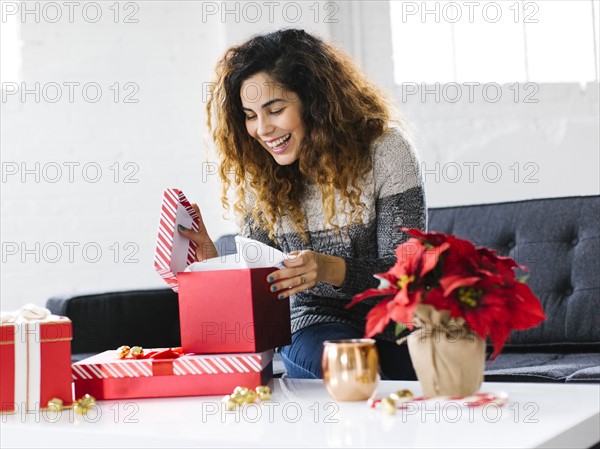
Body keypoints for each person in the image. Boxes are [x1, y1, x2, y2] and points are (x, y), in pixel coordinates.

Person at [178, 28, 426, 380]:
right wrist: (213, 268)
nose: (262, 129)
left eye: (275, 110)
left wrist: (328, 268)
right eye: (250, 115)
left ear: (315, 101)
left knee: (427, 376)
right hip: (315, 322)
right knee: (353, 372)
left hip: (396, 319)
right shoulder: (259, 173)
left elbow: (407, 277)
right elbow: (262, 295)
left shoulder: (385, 150)